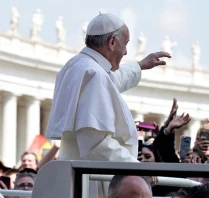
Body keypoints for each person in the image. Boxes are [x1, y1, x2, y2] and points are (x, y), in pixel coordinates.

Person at [45, 13, 171, 198]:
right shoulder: (93, 73)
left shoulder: (78, 65)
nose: (126, 52)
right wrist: (137, 168)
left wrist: (140, 65)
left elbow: (112, 80)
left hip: (78, 178)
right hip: (90, 185)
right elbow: (96, 143)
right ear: (112, 41)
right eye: (125, 44)